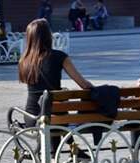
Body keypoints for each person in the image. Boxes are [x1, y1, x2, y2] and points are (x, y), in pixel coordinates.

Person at [18, 19, 93, 155]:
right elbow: (83, 84)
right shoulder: (59, 57)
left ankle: (54, 158)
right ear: (48, 36)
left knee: (51, 116)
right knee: (56, 115)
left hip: (32, 117)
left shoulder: (24, 60)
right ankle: (70, 151)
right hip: (55, 117)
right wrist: (97, 90)